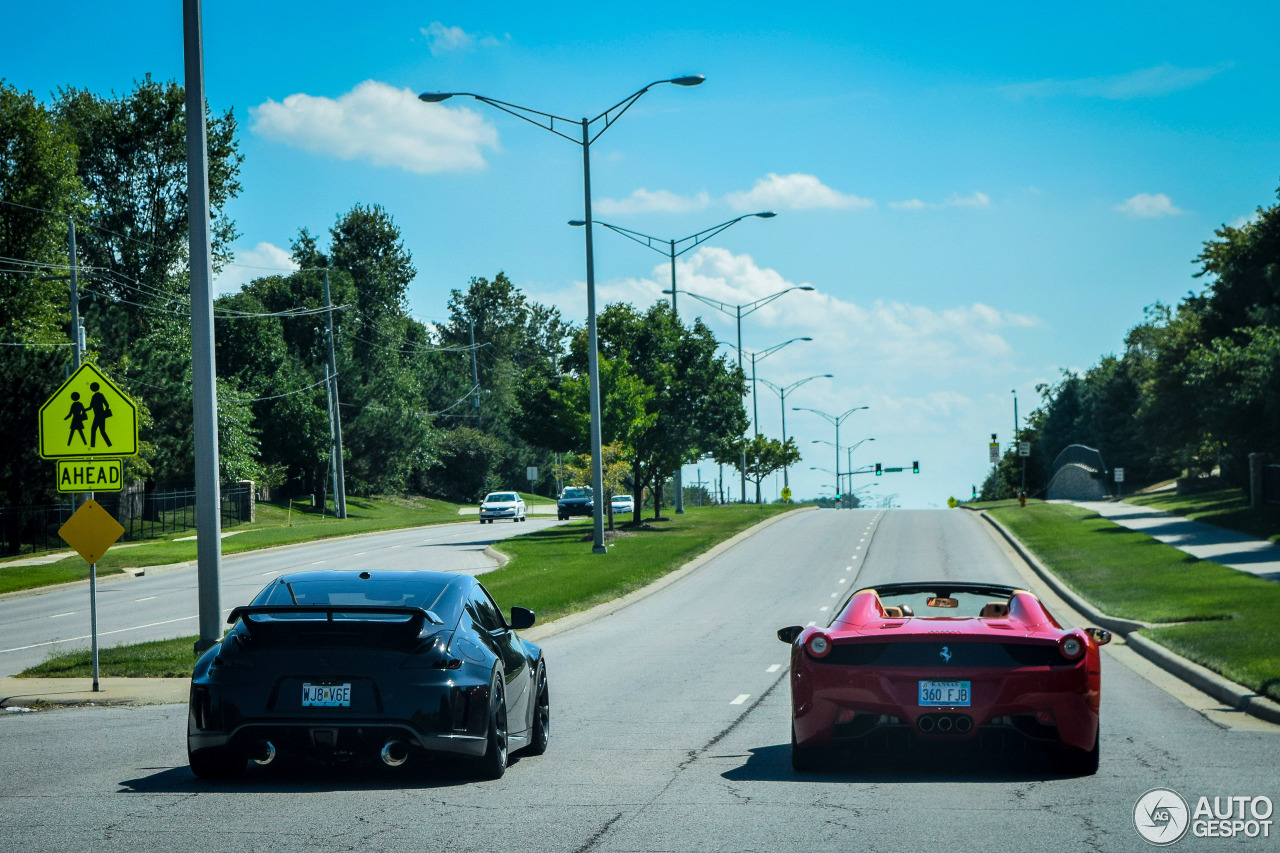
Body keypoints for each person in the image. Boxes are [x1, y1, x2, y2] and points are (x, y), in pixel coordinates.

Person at [88, 381, 112, 448]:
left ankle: (109, 444)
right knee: (95, 430)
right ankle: (93, 446)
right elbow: (90, 407)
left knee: (100, 431)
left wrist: (104, 413)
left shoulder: (99, 395)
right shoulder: (94, 396)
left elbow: (107, 405)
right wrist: (83, 410)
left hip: (100, 416)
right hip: (98, 416)